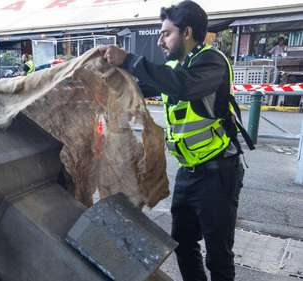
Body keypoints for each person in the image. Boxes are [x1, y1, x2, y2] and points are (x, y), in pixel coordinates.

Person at [99, 1, 254, 280]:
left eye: (165, 33)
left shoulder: (211, 60)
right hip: (189, 173)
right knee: (182, 244)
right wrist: (109, 73)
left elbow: (183, 86)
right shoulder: (174, 65)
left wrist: (129, 59)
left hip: (219, 172)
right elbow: (143, 83)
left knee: (218, 257)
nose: (160, 41)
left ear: (187, 32)